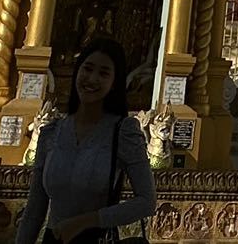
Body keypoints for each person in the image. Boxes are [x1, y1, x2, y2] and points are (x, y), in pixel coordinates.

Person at [18, 38, 156, 244]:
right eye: (88, 69)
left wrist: (88, 221)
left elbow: (147, 202)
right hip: (55, 238)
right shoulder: (51, 132)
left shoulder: (123, 132)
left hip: (95, 238)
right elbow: (34, 210)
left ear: (113, 83)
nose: (92, 79)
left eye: (103, 74)